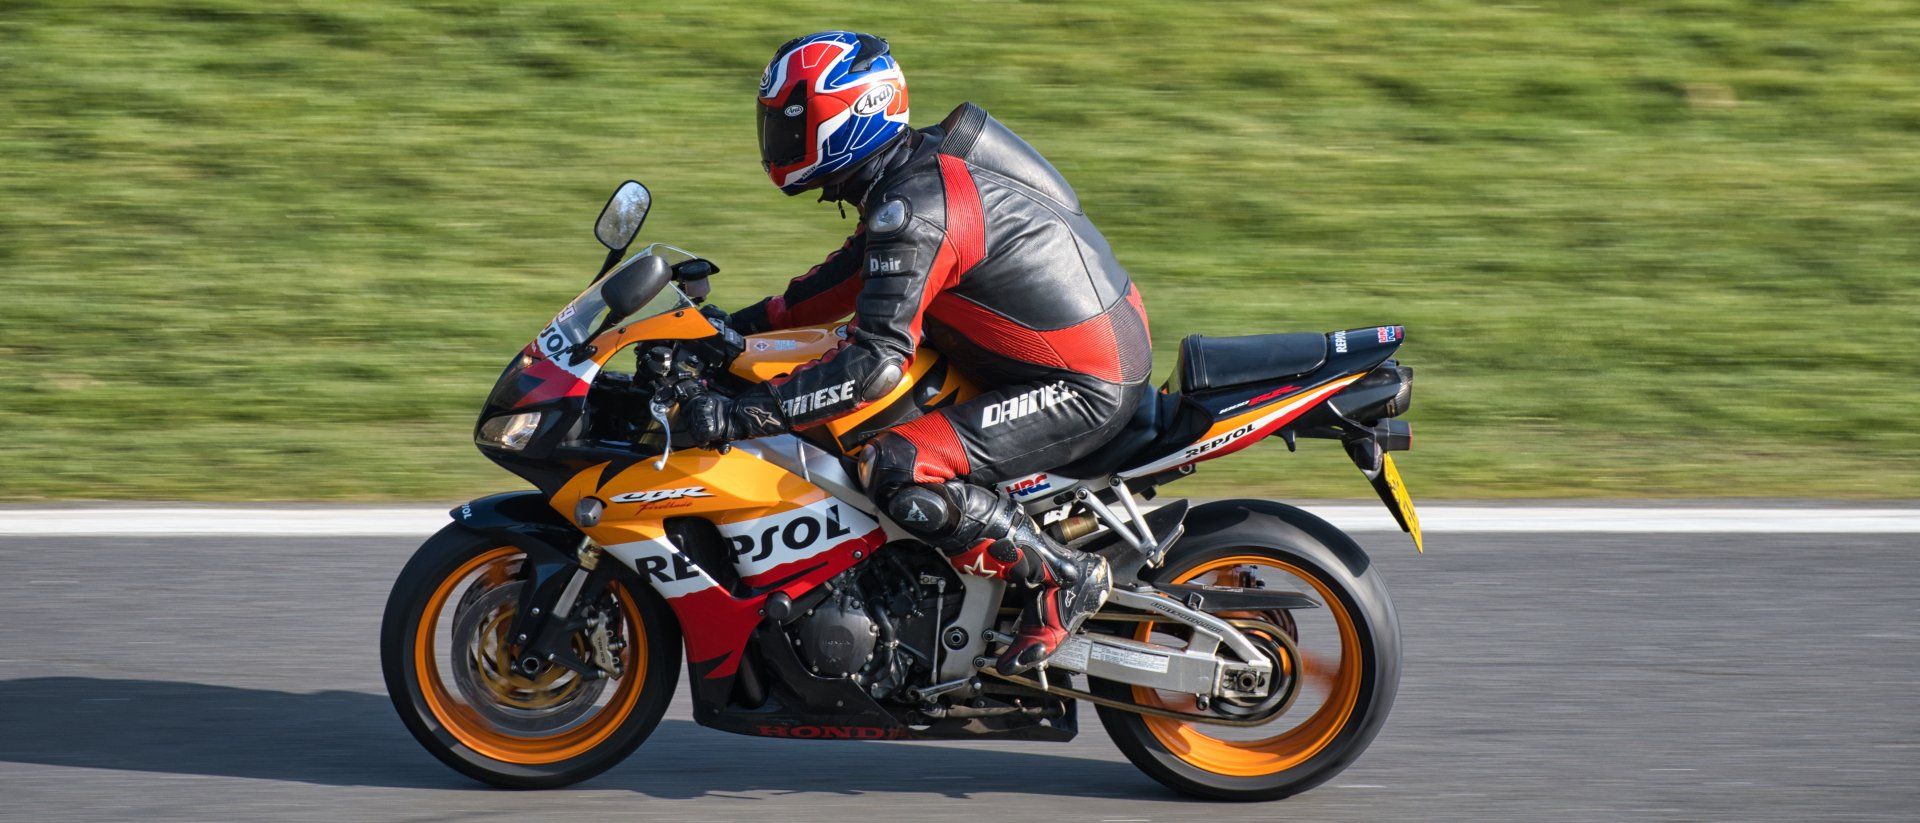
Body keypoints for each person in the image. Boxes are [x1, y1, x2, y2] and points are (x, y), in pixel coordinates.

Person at [686, 31, 1152, 676]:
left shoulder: (917, 205)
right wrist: (728, 332)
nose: (777, 138)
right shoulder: (909, 180)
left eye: (793, 121)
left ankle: (1064, 576)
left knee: (897, 460)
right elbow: (845, 281)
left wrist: (746, 413)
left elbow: (873, 363)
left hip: (1081, 385)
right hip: (1030, 357)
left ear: (845, 116)